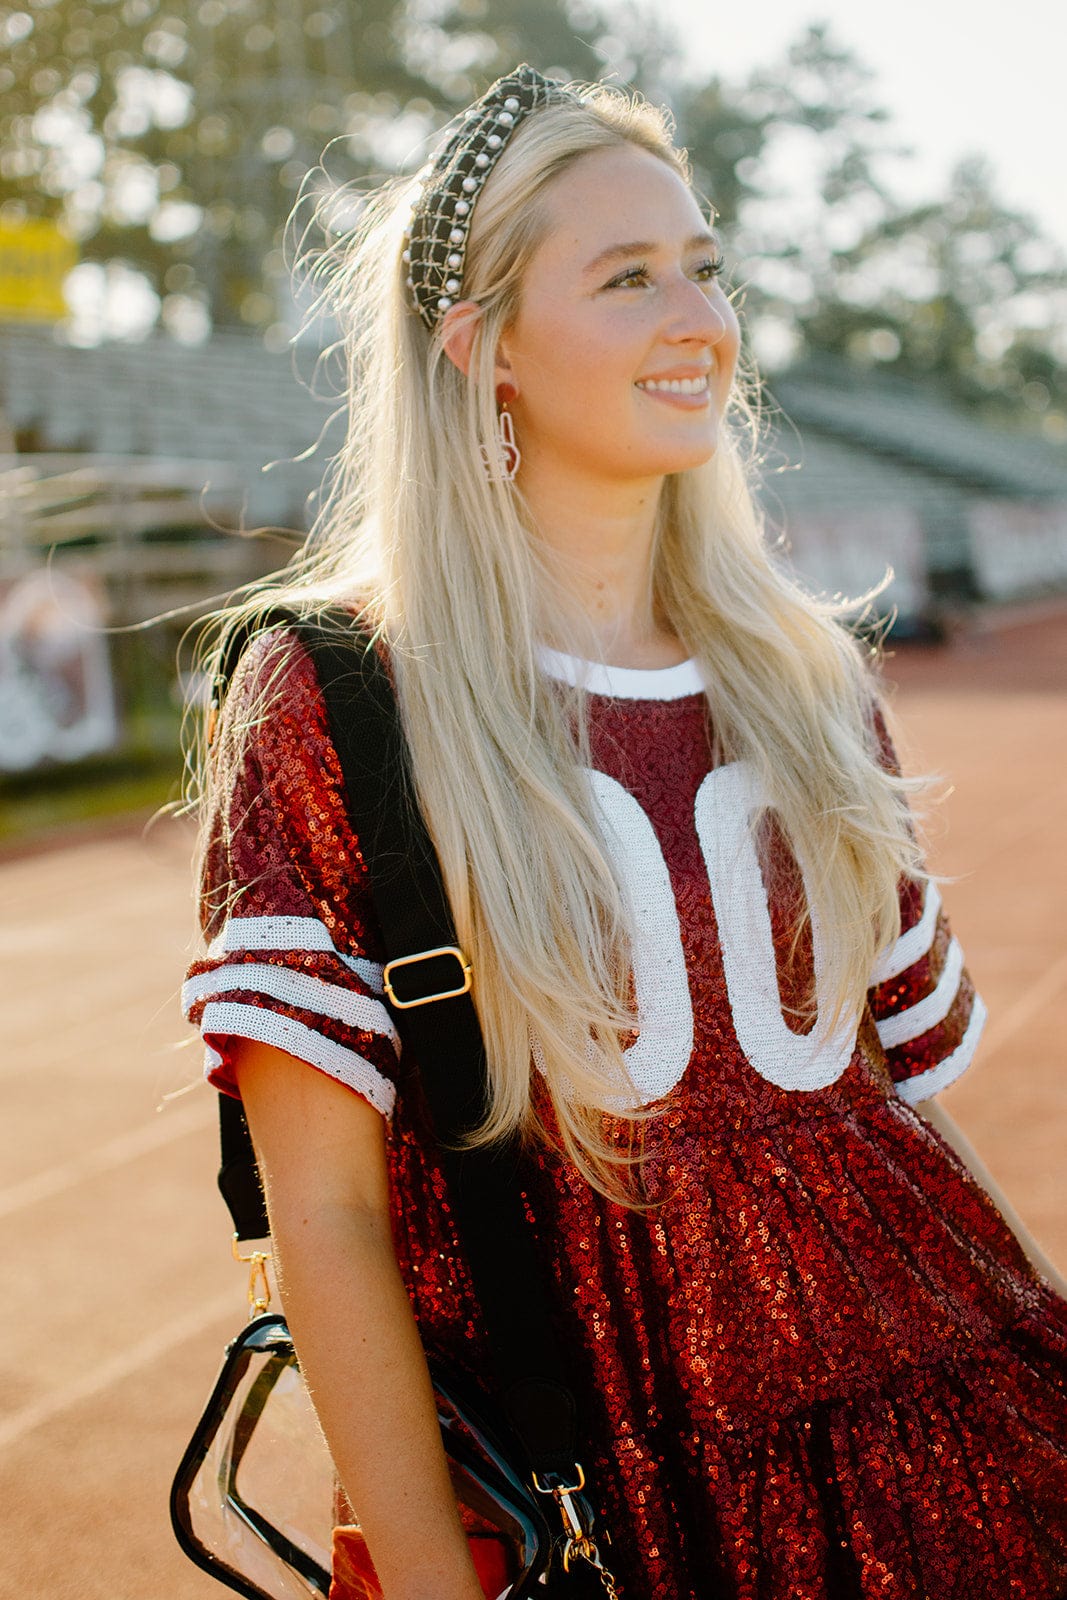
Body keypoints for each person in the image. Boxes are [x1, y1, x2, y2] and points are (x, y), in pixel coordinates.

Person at [182, 64, 1067, 1600]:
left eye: (706, 269)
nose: (698, 319)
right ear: (484, 350)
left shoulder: (809, 677)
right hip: (607, 1462)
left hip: (933, 1422)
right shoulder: (344, 697)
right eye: (628, 277)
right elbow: (323, 1217)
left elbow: (891, 1109)